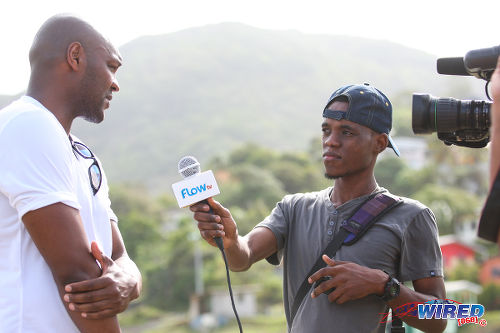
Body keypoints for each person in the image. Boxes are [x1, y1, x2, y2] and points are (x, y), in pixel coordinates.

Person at [191, 83, 447, 332]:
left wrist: (383, 286)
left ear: (379, 143)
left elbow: (441, 318)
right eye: (327, 130)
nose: (331, 141)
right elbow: (242, 258)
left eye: (346, 132)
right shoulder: (293, 208)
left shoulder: (412, 217)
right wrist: (231, 239)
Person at [0, 15, 141, 332]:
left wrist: (129, 279)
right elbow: (77, 277)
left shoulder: (82, 154)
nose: (115, 83)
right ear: (75, 56)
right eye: (111, 67)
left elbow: (120, 256)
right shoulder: (26, 125)